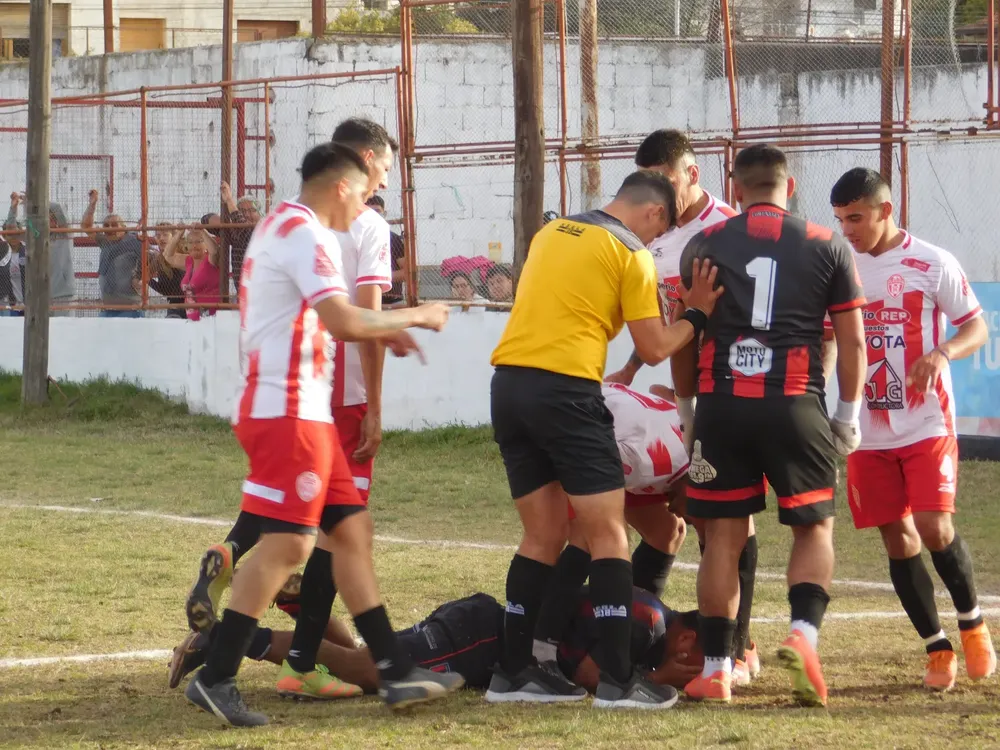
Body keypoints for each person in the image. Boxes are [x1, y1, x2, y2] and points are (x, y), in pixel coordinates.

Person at [182, 142, 461, 727]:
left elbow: (336, 319)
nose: (365, 206)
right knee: (290, 546)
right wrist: (414, 316)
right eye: (364, 193)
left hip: (299, 410)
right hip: (289, 411)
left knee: (352, 533)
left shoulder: (279, 225)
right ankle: (217, 675)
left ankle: (395, 672)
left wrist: (382, 330)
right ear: (341, 186)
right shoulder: (305, 233)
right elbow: (343, 320)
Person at [486, 170, 723, 709]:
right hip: (566, 392)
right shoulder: (631, 251)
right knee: (607, 534)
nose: (657, 243)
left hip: (508, 387)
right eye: (661, 233)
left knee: (543, 535)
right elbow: (657, 347)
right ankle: (619, 680)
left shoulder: (552, 233)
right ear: (656, 214)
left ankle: (513, 672)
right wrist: (698, 315)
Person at [673, 144, 867, 707]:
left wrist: (688, 415)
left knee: (723, 542)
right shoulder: (826, 244)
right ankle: (803, 636)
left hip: (723, 406)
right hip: (795, 405)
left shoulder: (704, 244)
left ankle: (715, 669)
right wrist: (847, 417)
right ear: (792, 186)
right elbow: (851, 340)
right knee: (813, 529)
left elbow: (684, 332)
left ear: (735, 189)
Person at [829, 167, 996, 692]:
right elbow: (826, 337)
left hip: (926, 421)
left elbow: (976, 326)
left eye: (855, 217)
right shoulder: (839, 266)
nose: (848, 229)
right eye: (839, 220)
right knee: (897, 540)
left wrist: (942, 351)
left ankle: (972, 623)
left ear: (885, 209)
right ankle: (938, 646)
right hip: (867, 430)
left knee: (933, 527)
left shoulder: (932, 261)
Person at [170, 580, 708, 696]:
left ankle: (294, 606)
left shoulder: (652, 620)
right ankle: (230, 639)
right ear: (687, 642)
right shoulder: (650, 621)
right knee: (370, 672)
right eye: (696, 662)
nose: (689, 672)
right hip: (481, 638)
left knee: (363, 665)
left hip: (480, 633)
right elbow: (587, 673)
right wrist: (657, 682)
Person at [607, 129, 738, 386]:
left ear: (693, 175)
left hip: (726, 374)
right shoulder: (650, 228)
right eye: (649, 186)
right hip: (683, 373)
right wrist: (630, 370)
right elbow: (658, 311)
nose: (658, 196)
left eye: (668, 183)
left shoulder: (728, 226)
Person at [81, 190, 143, 318]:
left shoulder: (134, 241)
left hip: (131, 308)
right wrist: (92, 205)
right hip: (107, 308)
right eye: (106, 226)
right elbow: (86, 226)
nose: (110, 228)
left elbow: (152, 260)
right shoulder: (104, 241)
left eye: (114, 225)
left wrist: (141, 278)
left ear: (124, 227)